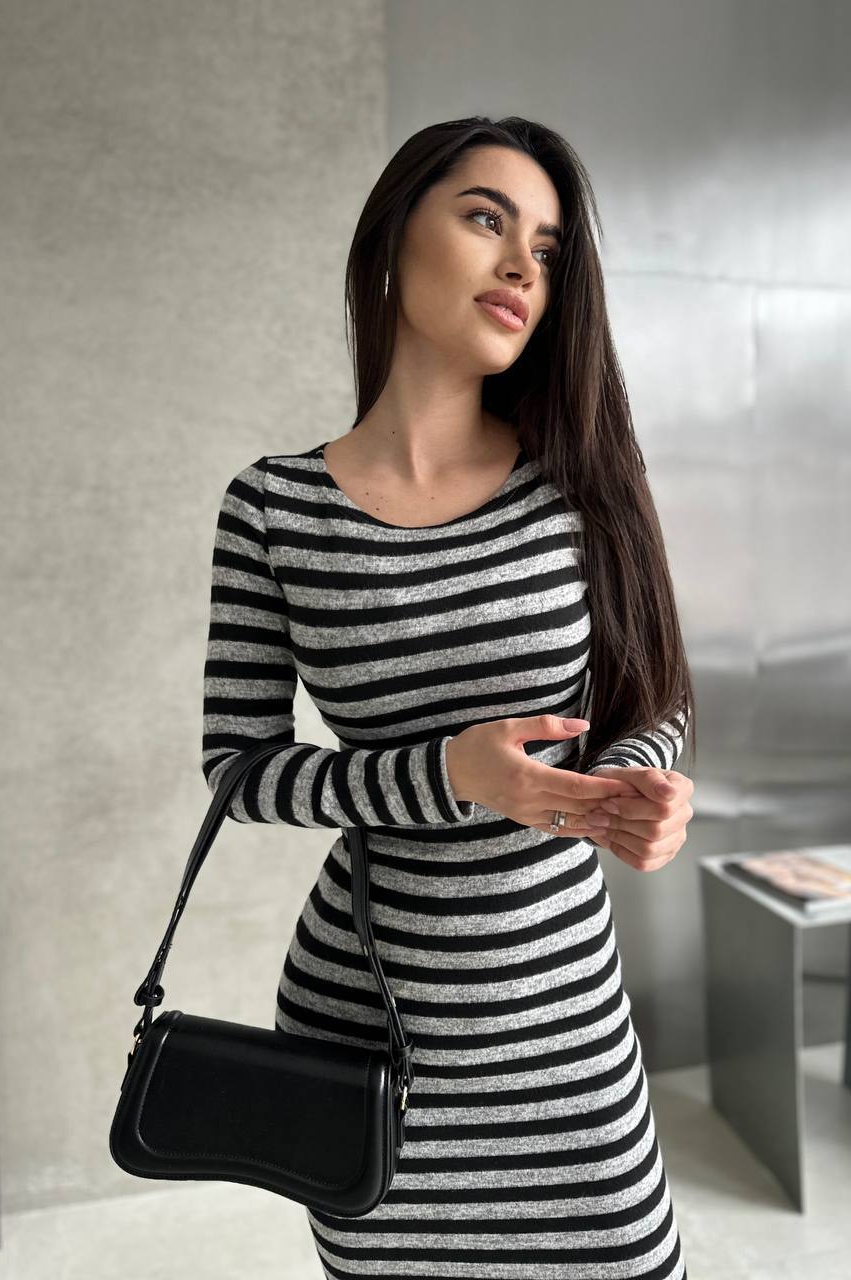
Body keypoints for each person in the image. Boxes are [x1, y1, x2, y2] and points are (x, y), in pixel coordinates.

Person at [202, 115, 695, 1280]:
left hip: (560, 1015)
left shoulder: (581, 482)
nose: (524, 263)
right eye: (486, 218)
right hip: (370, 1024)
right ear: (391, 237)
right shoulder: (272, 506)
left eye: (550, 246)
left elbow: (655, 696)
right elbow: (238, 770)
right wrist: (447, 775)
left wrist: (640, 781)